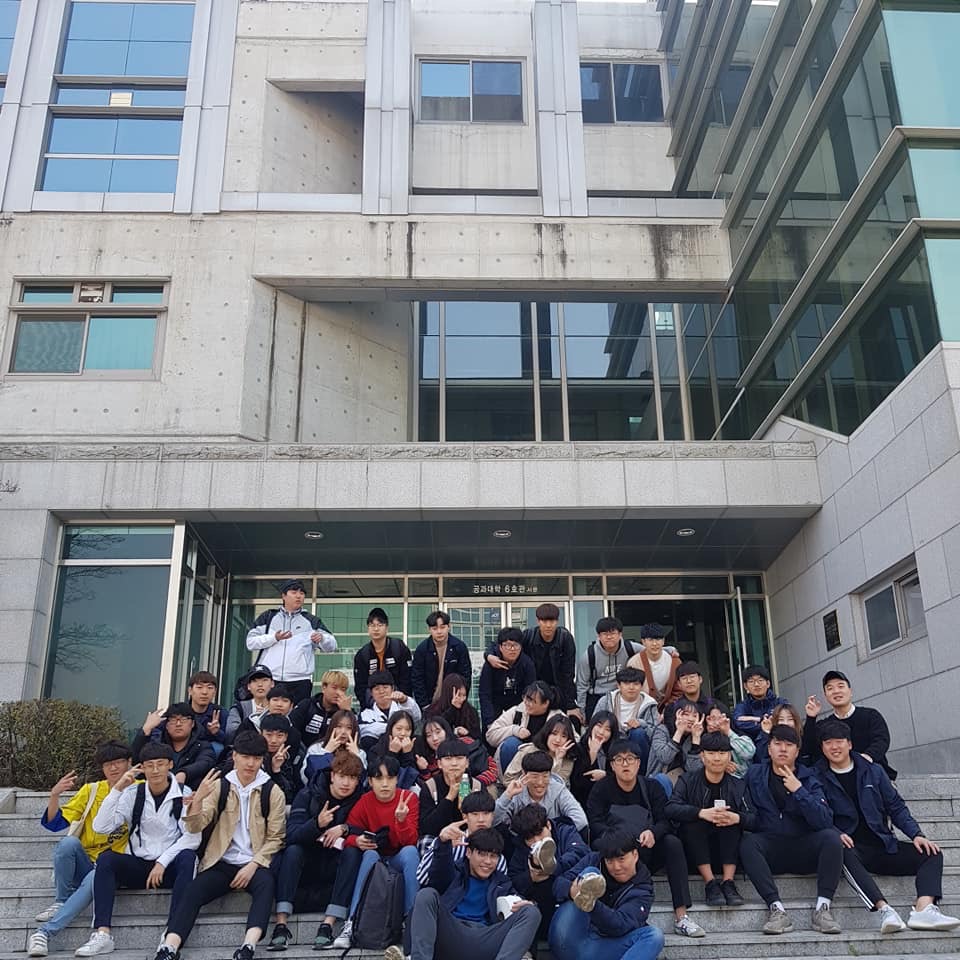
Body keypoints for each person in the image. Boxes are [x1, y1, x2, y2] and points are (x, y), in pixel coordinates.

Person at [815, 719, 959, 933]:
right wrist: (836, 832)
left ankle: (924, 909)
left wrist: (916, 834)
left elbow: (896, 806)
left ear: (850, 744)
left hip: (883, 844)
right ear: (822, 748)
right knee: (840, 850)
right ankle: (885, 910)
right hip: (852, 849)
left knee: (932, 853)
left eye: (839, 741)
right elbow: (817, 814)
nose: (834, 747)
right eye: (828, 743)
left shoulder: (873, 771)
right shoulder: (817, 776)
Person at [154, 731, 286, 960]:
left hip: (254, 862)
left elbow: (276, 837)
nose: (251, 763)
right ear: (234, 756)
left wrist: (253, 865)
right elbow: (196, 826)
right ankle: (170, 946)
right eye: (246, 757)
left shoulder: (272, 791)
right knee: (193, 890)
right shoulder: (220, 786)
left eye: (256, 758)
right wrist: (197, 800)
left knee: (266, 885)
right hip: (222, 861)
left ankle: (248, 946)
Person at [73, 743, 200, 957]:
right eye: (150, 765)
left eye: (161, 764)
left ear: (170, 765)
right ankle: (102, 934)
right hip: (139, 866)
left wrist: (162, 862)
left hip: (170, 868)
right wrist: (117, 789)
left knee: (188, 857)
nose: (155, 770)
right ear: (142, 768)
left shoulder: (184, 794)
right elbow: (101, 827)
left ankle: (171, 933)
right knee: (106, 859)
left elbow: (192, 838)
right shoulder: (133, 793)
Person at [586, 739, 703, 937]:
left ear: (639, 763)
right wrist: (618, 838)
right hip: (616, 852)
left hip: (645, 849)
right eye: (619, 759)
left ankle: (681, 915)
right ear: (612, 765)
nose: (625, 764)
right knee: (598, 847)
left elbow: (665, 820)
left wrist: (653, 833)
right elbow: (595, 823)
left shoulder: (651, 787)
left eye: (630, 759)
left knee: (672, 843)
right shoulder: (601, 789)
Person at [27, 742, 134, 959]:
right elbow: (55, 824)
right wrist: (54, 795)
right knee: (68, 844)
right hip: (87, 862)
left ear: (129, 763)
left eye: (118, 762)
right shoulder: (91, 790)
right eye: (108, 764)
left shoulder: (140, 789)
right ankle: (61, 900)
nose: (114, 768)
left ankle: (44, 933)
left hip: (116, 867)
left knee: (98, 873)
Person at [739, 723, 843, 935]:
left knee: (832, 838)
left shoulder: (810, 777)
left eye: (789, 745)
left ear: (797, 751)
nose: (783, 749)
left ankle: (823, 909)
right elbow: (748, 814)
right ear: (769, 748)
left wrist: (799, 790)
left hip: (803, 847)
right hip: (770, 847)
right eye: (778, 744)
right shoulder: (755, 774)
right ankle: (776, 909)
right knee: (748, 843)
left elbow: (824, 820)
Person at [268, 749, 366, 950]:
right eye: (342, 776)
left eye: (352, 778)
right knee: (293, 851)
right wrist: (317, 824)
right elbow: (291, 834)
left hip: (334, 873)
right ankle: (281, 925)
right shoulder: (308, 794)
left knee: (353, 852)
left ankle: (328, 925)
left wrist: (345, 829)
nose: (346, 783)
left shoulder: (361, 799)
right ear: (332, 776)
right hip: (306, 869)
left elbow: (372, 831)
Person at [403, 827, 540, 960]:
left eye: (493, 856)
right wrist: (443, 843)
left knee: (531, 911)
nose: (487, 861)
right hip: (451, 933)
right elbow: (438, 876)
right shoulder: (453, 872)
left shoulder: (502, 883)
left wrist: (527, 904)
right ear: (468, 853)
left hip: (485, 938)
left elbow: (517, 903)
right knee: (426, 894)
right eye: (482, 854)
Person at [336, 756, 420, 951]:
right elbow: (349, 832)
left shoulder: (408, 798)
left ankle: (413, 922)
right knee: (369, 855)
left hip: (399, 856)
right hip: (376, 857)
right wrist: (357, 841)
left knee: (410, 852)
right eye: (379, 778)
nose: (385, 784)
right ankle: (352, 922)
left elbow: (410, 840)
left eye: (390, 778)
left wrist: (401, 821)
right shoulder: (365, 801)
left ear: (397, 779)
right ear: (370, 781)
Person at [549, 828, 665, 960]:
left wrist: (591, 904)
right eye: (609, 861)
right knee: (590, 872)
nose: (616, 867)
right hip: (567, 936)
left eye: (621, 859)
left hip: (597, 948)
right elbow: (558, 884)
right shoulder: (594, 860)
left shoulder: (643, 887)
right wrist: (572, 891)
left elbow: (620, 925)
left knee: (654, 936)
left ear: (635, 854)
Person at [665, 731, 752, 907]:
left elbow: (755, 818)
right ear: (702, 756)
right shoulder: (688, 780)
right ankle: (710, 883)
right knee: (694, 823)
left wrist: (736, 817)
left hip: (729, 851)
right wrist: (700, 813)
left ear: (729, 756)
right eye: (711, 753)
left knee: (730, 821)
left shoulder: (738, 784)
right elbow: (670, 808)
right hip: (695, 853)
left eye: (722, 753)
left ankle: (728, 882)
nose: (717, 758)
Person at [245, 578, 337, 705]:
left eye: (302, 593)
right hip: (271, 679)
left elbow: (332, 646)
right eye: (294, 592)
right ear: (283, 596)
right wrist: (274, 638)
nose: (298, 596)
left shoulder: (311, 620)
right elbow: (250, 642)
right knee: (269, 714)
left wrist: (323, 638)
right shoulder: (268, 617)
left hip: (300, 681)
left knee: (298, 716)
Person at [485, 604, 580, 722]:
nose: (548, 625)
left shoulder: (565, 639)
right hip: (533, 690)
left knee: (564, 722)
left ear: (557, 621)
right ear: (538, 621)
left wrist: (571, 705)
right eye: (544, 621)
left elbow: (568, 674)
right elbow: (502, 643)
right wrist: (489, 656)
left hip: (557, 692)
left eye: (552, 621)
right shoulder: (529, 636)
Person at [508, 803, 589, 938]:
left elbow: (580, 853)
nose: (536, 841)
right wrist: (531, 876)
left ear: (548, 825)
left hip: (570, 897)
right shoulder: (520, 848)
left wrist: (553, 868)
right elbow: (513, 879)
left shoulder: (565, 832)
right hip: (540, 906)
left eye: (539, 833)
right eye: (530, 838)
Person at [802, 670, 896, 780]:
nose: (836, 691)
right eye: (830, 688)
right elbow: (808, 749)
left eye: (840, 686)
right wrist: (811, 718)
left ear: (850, 691)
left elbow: (881, 740)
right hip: (840, 782)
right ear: (826, 696)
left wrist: (866, 758)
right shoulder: (824, 725)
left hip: (875, 777)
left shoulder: (870, 715)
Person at [416, 791, 506, 885]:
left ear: (492, 816)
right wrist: (442, 846)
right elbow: (422, 878)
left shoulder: (497, 854)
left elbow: (501, 888)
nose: (481, 819)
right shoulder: (448, 840)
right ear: (464, 816)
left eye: (486, 813)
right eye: (475, 814)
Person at [494, 750, 587, 835]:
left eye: (545, 776)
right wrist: (507, 795)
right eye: (535, 776)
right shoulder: (516, 791)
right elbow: (494, 821)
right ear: (524, 773)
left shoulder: (559, 790)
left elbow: (580, 820)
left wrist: (547, 833)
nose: (540, 782)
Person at [218, 713, 303, 803]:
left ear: (286, 737)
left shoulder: (285, 758)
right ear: (261, 733)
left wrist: (276, 770)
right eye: (269, 735)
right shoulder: (245, 751)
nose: (273, 740)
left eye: (279, 736)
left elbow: (287, 797)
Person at [133, 701, 216, 790]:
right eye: (173, 720)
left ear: (192, 724)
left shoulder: (202, 746)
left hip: (191, 792)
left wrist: (184, 773)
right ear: (166, 725)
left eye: (184, 719)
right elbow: (136, 762)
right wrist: (146, 729)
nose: (178, 724)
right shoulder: (158, 745)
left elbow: (205, 762)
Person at [486, 680, 563, 776]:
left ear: (545, 703)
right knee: (511, 744)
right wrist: (514, 730)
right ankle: (508, 780)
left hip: (545, 765)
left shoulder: (558, 718)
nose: (526, 702)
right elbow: (490, 735)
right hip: (515, 764)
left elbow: (573, 740)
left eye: (531, 700)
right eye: (525, 697)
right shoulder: (517, 711)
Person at [593, 666, 658, 773]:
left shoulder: (649, 705)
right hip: (612, 740)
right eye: (627, 683)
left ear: (641, 686)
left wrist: (641, 724)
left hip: (637, 743)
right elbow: (594, 725)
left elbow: (656, 733)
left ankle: (640, 775)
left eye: (636, 684)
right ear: (618, 685)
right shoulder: (605, 701)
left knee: (638, 732)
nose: (631, 687)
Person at [418, 739, 485, 839]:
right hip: (438, 838)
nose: (454, 763)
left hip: (469, 836)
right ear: (439, 764)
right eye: (448, 759)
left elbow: (484, 822)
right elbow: (427, 828)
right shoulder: (430, 787)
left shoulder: (477, 786)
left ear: (467, 763)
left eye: (459, 758)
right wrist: (450, 797)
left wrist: (467, 806)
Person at [577, 617, 639, 721]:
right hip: (597, 696)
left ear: (620, 634)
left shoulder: (630, 648)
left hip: (622, 694)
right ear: (599, 636)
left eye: (613, 633)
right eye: (605, 634)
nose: (609, 637)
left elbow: (651, 651)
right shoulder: (589, 655)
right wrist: (581, 710)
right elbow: (582, 685)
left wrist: (668, 650)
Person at [411, 610, 473, 710]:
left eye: (442, 627)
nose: (439, 632)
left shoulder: (459, 647)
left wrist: (460, 698)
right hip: (429, 704)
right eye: (435, 628)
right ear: (429, 629)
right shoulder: (422, 649)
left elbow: (465, 676)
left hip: (454, 702)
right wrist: (424, 705)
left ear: (449, 627)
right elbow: (417, 679)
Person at [353, 607, 413, 709]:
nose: (376, 629)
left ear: (387, 628)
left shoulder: (399, 648)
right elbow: (360, 687)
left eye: (380, 625)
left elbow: (407, 679)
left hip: (398, 704)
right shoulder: (362, 655)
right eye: (372, 625)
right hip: (373, 706)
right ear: (368, 629)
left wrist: (401, 700)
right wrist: (372, 705)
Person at [413, 716, 498, 788]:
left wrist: (473, 784)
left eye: (438, 732)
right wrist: (424, 770)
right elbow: (431, 788)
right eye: (429, 735)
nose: (435, 738)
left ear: (446, 730)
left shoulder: (466, 742)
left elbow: (493, 769)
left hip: (478, 787)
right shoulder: (429, 759)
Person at [478, 627, 536, 731]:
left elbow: (530, 692)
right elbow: (485, 694)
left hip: (518, 700)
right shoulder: (491, 663)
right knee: (490, 729)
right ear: (500, 647)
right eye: (508, 645)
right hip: (495, 700)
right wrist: (489, 722)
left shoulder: (527, 664)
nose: (512, 649)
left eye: (516, 645)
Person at [503, 713, 578, 786]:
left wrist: (558, 761)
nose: (558, 740)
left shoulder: (567, 759)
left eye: (563, 736)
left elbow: (556, 787)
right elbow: (508, 779)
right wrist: (527, 786)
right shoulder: (529, 750)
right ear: (546, 733)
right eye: (554, 734)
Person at [288, 669, 353, 749]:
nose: (338, 693)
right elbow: (291, 728)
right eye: (334, 688)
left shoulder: (346, 711)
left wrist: (346, 712)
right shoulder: (307, 705)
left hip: (334, 752)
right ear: (323, 688)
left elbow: (355, 737)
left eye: (342, 689)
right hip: (304, 751)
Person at [358, 670, 422, 751]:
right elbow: (366, 730)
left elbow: (417, 717)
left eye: (385, 687)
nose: (381, 692)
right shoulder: (365, 714)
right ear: (371, 693)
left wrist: (404, 699)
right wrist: (399, 728)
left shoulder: (403, 708)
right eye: (377, 689)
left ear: (392, 688)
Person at [570, 710, 619, 807]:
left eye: (607, 729)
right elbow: (578, 784)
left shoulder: (615, 751)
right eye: (599, 726)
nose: (601, 732)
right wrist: (592, 755)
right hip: (583, 802)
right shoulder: (578, 748)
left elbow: (622, 777)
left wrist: (605, 775)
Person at [626, 623, 682, 709]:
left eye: (658, 639)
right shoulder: (634, 663)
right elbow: (630, 691)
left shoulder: (674, 662)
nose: (655, 643)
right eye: (650, 640)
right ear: (643, 642)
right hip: (641, 708)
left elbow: (678, 691)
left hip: (669, 709)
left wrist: (667, 710)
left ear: (663, 641)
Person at [302, 709, 366, 783]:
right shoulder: (316, 748)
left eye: (349, 728)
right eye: (339, 726)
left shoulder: (360, 752)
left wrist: (357, 756)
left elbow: (364, 782)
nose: (343, 732)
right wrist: (325, 752)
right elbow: (305, 778)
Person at [646, 701, 704, 782]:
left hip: (685, 782)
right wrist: (679, 732)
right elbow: (665, 758)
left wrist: (696, 740)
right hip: (658, 780)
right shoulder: (662, 730)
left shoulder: (696, 736)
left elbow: (694, 770)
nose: (691, 719)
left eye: (695, 716)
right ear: (677, 715)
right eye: (686, 714)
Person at [731, 665, 785, 744]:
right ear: (745, 686)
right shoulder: (742, 707)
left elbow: (784, 722)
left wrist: (752, 720)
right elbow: (738, 722)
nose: (756, 684)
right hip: (753, 748)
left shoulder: (780, 703)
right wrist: (762, 720)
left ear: (768, 683)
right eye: (751, 681)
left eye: (760, 680)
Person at [368, 710, 420, 789]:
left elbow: (411, 778)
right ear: (390, 728)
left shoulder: (414, 745)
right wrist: (392, 753)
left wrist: (407, 754)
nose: (403, 733)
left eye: (407, 729)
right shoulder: (376, 749)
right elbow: (380, 775)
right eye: (399, 729)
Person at [225, 665, 275, 744]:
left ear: (272, 683)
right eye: (255, 681)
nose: (260, 684)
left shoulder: (279, 706)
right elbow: (231, 732)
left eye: (264, 680)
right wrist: (252, 720)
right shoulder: (240, 708)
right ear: (248, 686)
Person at [425, 673, 482, 740]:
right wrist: (452, 709)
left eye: (464, 695)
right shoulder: (433, 710)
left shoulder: (470, 712)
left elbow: (478, 737)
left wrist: (467, 733)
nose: (462, 699)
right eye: (459, 695)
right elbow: (437, 727)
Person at [184, 671, 228, 756]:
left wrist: (217, 732)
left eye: (210, 688)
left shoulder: (220, 712)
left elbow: (229, 741)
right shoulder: (181, 711)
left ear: (215, 692)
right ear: (190, 690)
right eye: (199, 687)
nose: (204, 692)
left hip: (209, 754)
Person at [704, 703, 754, 777]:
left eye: (720, 718)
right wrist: (718, 766)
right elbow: (693, 767)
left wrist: (728, 731)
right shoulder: (701, 739)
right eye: (713, 719)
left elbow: (749, 753)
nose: (717, 723)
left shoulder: (739, 737)